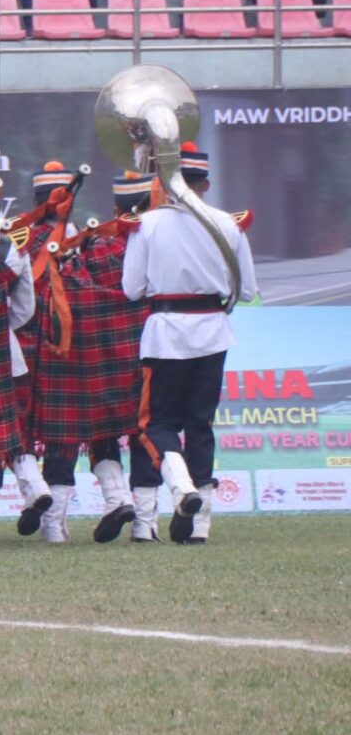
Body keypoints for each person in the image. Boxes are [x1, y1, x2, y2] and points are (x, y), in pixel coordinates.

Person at [120, 142, 257, 543]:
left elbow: (132, 289)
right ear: (206, 184)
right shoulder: (227, 224)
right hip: (213, 331)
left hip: (165, 334)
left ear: (164, 183)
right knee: (200, 425)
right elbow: (247, 291)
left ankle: (181, 488)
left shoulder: (147, 224)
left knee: (157, 424)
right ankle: (200, 525)